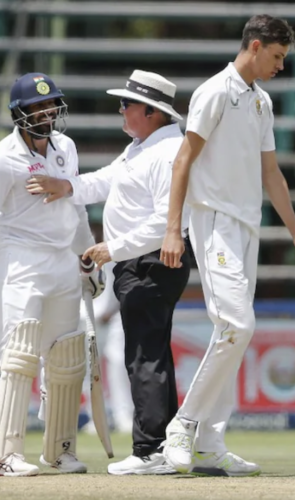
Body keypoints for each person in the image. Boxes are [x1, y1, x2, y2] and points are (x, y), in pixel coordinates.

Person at [160, 15, 295, 477]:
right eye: (276, 56)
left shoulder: (260, 101)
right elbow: (183, 161)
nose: (280, 66)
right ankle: (184, 425)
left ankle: (210, 444)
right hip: (213, 223)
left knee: (229, 332)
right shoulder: (214, 92)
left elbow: (272, 174)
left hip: (246, 228)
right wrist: (174, 229)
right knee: (237, 325)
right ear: (254, 46)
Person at [26, 70, 190, 475]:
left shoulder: (168, 153)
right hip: (139, 264)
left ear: (151, 112)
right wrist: (67, 186)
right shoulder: (142, 146)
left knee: (143, 356)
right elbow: (104, 181)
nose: (121, 109)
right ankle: (165, 444)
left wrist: (110, 248)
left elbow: (166, 223)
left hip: (150, 263)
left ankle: (151, 449)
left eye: (127, 104)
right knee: (150, 353)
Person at [0, 73, 104, 477]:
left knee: (66, 357)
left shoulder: (66, 147)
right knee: (18, 356)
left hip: (64, 261)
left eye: (51, 106)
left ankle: (60, 450)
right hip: (20, 262)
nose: (47, 113)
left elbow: (77, 208)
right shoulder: (1, 159)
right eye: (38, 107)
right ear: (19, 113)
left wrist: (88, 257)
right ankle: (3, 456)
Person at [81, 261, 133, 436]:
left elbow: (124, 279)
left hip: (115, 313)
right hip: (84, 315)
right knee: (89, 368)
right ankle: (95, 418)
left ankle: (123, 415)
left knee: (118, 363)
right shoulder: (76, 245)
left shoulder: (112, 241)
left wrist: (114, 309)